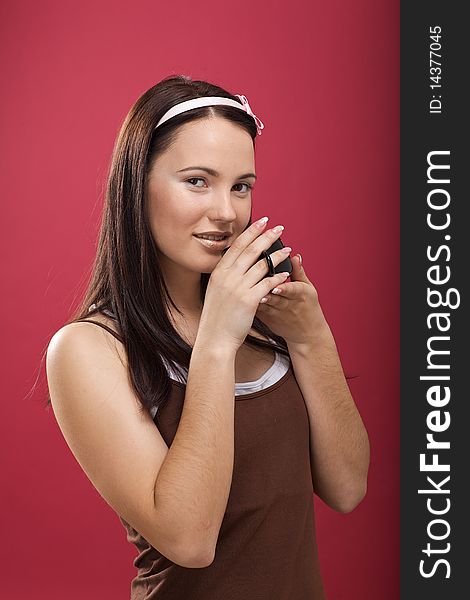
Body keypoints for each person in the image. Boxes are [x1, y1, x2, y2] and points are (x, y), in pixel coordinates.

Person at [45, 75, 370, 599]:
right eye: (197, 181)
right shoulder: (89, 349)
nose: (226, 212)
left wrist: (313, 342)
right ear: (137, 185)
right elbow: (190, 539)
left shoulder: (266, 314)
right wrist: (216, 342)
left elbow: (349, 488)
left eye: (241, 185)